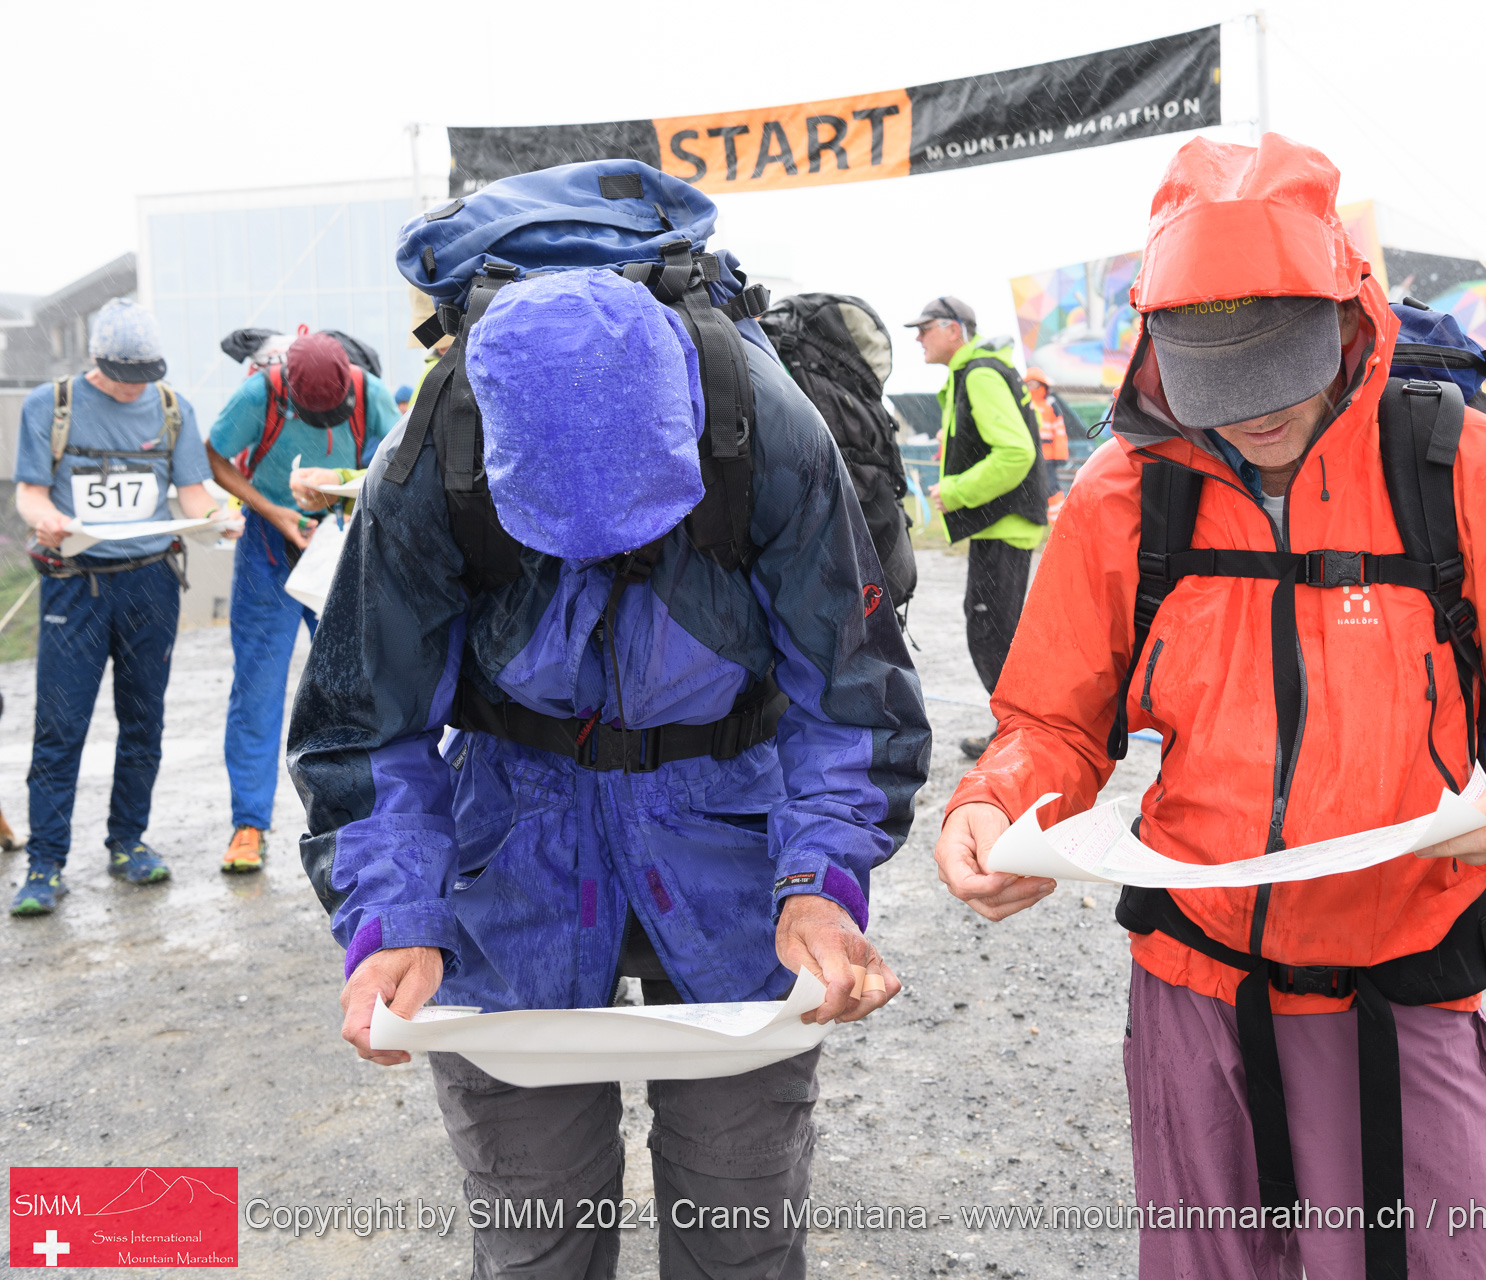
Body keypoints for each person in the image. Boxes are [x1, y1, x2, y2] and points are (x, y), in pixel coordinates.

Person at [933, 134, 1486, 1280]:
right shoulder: (1127, 495)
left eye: (1281, 365)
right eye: (1217, 379)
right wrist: (995, 801)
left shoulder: (1456, 468)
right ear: (1158, 347)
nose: (1255, 413)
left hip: (1406, 976)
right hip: (1196, 987)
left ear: (1345, 311)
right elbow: (1055, 725)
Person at [288, 257, 928, 1278]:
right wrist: (393, 914)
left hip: (735, 850)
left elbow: (848, 697)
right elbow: (366, 723)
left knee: (740, 1227)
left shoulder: (772, 440)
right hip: (513, 850)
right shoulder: (426, 466)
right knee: (533, 1231)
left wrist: (822, 878)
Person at [9, 299, 226, 916]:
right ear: (96, 362)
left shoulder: (171, 408)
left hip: (150, 582)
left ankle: (129, 842)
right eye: (123, 378)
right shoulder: (50, 407)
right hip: (75, 584)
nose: (135, 390)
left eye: (146, 377)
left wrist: (216, 520)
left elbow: (190, 496)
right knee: (59, 727)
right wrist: (44, 518)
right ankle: (45, 865)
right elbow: (28, 493)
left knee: (143, 720)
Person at [204, 332, 399, 874]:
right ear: (286, 389)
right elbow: (217, 457)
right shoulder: (257, 397)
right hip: (270, 546)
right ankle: (248, 825)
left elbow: (401, 459)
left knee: (350, 690)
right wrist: (275, 511)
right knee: (258, 687)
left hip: (341, 542)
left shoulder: (370, 393)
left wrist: (340, 491)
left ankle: (361, 824)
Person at [910, 297, 1048, 760]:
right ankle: (1015, 732)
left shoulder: (981, 374)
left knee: (991, 635)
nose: (917, 337)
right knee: (994, 632)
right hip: (1001, 526)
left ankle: (1019, 738)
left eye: (924, 327)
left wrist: (956, 491)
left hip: (1003, 526)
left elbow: (1015, 453)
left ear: (953, 330)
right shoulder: (977, 373)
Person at [1023, 366, 1075, 492]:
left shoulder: (1051, 404)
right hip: (1029, 454)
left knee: (1049, 488)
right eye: (1028, 384)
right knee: (1031, 490)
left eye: (1033, 383)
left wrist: (1060, 455)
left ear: (1041, 384)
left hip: (1047, 456)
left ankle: (1053, 511)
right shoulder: (1024, 403)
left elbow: (1059, 432)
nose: (1030, 387)